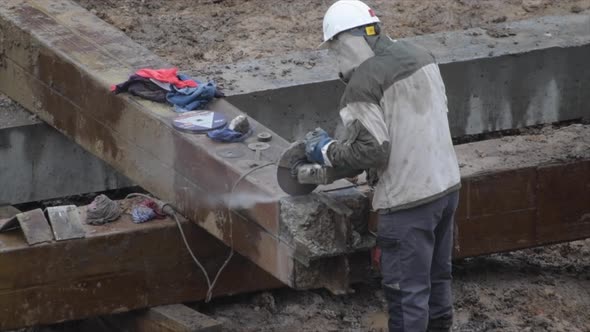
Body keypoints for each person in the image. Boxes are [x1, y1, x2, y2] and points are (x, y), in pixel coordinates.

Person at [302, 1, 462, 331]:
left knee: (407, 296)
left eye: (335, 48)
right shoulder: (420, 54)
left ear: (348, 40)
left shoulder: (364, 82)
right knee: (437, 280)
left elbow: (371, 152)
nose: (337, 57)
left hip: (407, 203)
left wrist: (328, 151)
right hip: (446, 188)